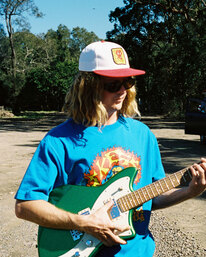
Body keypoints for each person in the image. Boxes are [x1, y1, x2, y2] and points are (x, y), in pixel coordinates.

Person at [15, 41, 206, 257]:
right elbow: (25, 206)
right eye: (113, 84)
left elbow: (152, 197)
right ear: (87, 86)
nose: (123, 90)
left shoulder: (143, 135)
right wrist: (83, 223)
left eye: (127, 81)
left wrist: (190, 191)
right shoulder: (58, 141)